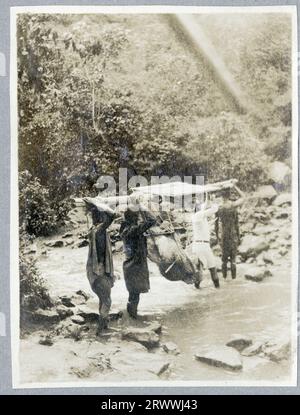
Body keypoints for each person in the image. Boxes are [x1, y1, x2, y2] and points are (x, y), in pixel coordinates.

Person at [84, 198, 116, 332]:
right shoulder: (100, 231)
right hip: (101, 271)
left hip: (93, 272)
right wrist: (98, 204)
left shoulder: (92, 230)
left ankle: (103, 325)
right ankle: (101, 329)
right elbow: (113, 215)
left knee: (102, 299)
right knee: (107, 301)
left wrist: (94, 206)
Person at [120, 203, 157, 318]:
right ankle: (132, 318)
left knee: (133, 295)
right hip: (134, 266)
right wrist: (142, 207)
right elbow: (152, 220)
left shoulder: (125, 229)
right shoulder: (133, 230)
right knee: (134, 296)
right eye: (136, 217)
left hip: (130, 266)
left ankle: (131, 317)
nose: (138, 219)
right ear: (133, 218)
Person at [215, 184, 245, 280]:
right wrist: (235, 186)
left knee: (223, 261)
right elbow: (244, 197)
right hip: (233, 234)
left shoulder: (219, 208)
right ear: (229, 195)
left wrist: (217, 237)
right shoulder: (233, 206)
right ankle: (234, 280)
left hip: (224, 235)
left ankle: (224, 279)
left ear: (222, 196)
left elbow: (215, 226)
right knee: (233, 261)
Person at [192, 196, 220, 289]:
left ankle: (197, 289)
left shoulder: (199, 215)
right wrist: (213, 200)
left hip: (201, 245)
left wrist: (209, 197)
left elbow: (204, 205)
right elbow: (214, 209)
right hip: (201, 245)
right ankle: (217, 288)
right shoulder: (198, 215)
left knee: (203, 269)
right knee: (211, 268)